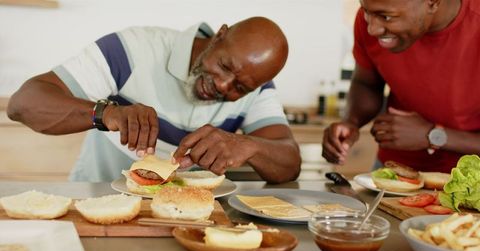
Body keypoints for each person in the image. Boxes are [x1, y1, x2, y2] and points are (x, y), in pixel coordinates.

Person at [7, 16, 301, 183]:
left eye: (240, 87)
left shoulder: (258, 87)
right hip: (99, 203)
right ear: (219, 35)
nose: (223, 86)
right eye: (225, 66)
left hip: (182, 220)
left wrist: (249, 145)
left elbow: (289, 162)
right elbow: (24, 103)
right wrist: (107, 114)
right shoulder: (133, 49)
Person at [322, 0, 480, 173]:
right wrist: (351, 122)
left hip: (470, 179)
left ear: (433, 3)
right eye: (367, 11)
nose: (372, 29)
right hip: (393, 170)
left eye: (387, 17)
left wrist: (433, 135)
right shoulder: (374, 12)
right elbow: (366, 83)